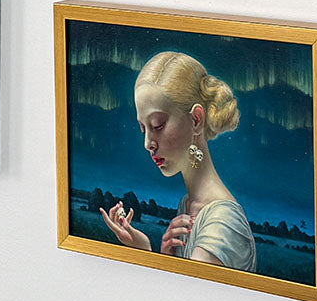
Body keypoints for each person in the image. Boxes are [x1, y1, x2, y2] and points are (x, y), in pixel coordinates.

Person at [98, 51, 257, 272]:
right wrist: (153, 253)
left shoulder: (222, 224)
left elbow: (186, 293)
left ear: (196, 120)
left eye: (157, 125)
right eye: (143, 129)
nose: (148, 144)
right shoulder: (187, 205)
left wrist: (147, 254)